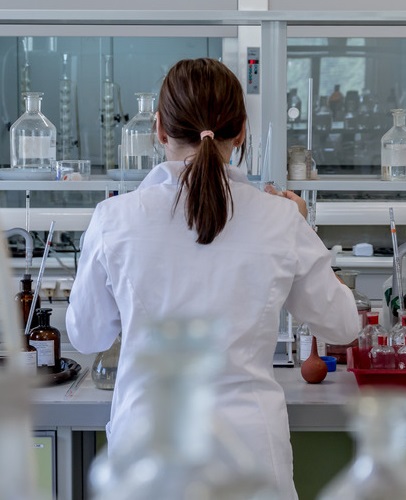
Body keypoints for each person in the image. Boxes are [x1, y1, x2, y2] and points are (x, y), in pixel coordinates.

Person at [66, 58, 358, 499]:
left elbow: (87, 337)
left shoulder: (115, 218)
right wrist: (303, 228)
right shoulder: (279, 218)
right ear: (240, 132)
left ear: (160, 128)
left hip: (147, 459)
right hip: (251, 457)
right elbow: (343, 326)